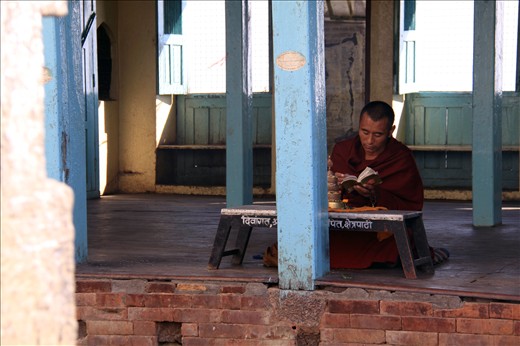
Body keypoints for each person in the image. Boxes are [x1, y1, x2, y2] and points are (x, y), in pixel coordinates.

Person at [329, 100, 449, 269]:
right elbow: (325, 194)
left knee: (400, 244)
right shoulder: (343, 149)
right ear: (359, 126)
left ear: (390, 131)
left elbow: (411, 206)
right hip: (346, 225)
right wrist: (336, 184)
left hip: (378, 230)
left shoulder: (401, 157)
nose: (369, 141)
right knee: (319, 240)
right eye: (364, 132)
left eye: (377, 135)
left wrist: (375, 194)